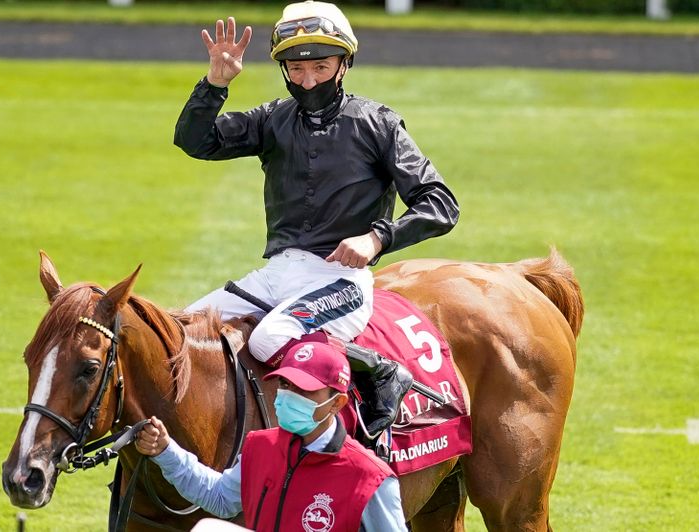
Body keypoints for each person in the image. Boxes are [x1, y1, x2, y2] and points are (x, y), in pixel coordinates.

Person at [176, 0, 459, 447]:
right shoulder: (272, 118)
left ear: (344, 65)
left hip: (342, 281)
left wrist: (376, 238)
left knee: (269, 338)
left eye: (320, 68)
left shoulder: (377, 123)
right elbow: (195, 141)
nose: (308, 81)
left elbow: (440, 204)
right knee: (182, 330)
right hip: (278, 274)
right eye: (296, 69)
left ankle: (379, 369)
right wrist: (216, 83)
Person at [135, 342, 408, 531]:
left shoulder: (370, 478)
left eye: (304, 389)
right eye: (286, 384)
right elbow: (219, 498)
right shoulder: (260, 446)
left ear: (336, 403)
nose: (289, 395)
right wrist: (165, 450)